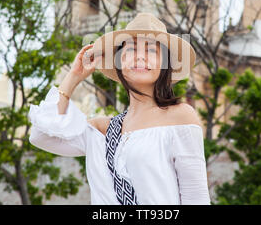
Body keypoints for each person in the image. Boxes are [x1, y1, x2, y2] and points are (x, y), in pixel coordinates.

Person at [28, 12, 211, 205]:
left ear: (164, 65)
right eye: (131, 49)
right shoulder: (101, 130)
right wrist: (73, 77)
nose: (140, 57)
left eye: (151, 51)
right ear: (119, 62)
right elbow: (41, 136)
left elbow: (196, 197)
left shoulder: (180, 116)